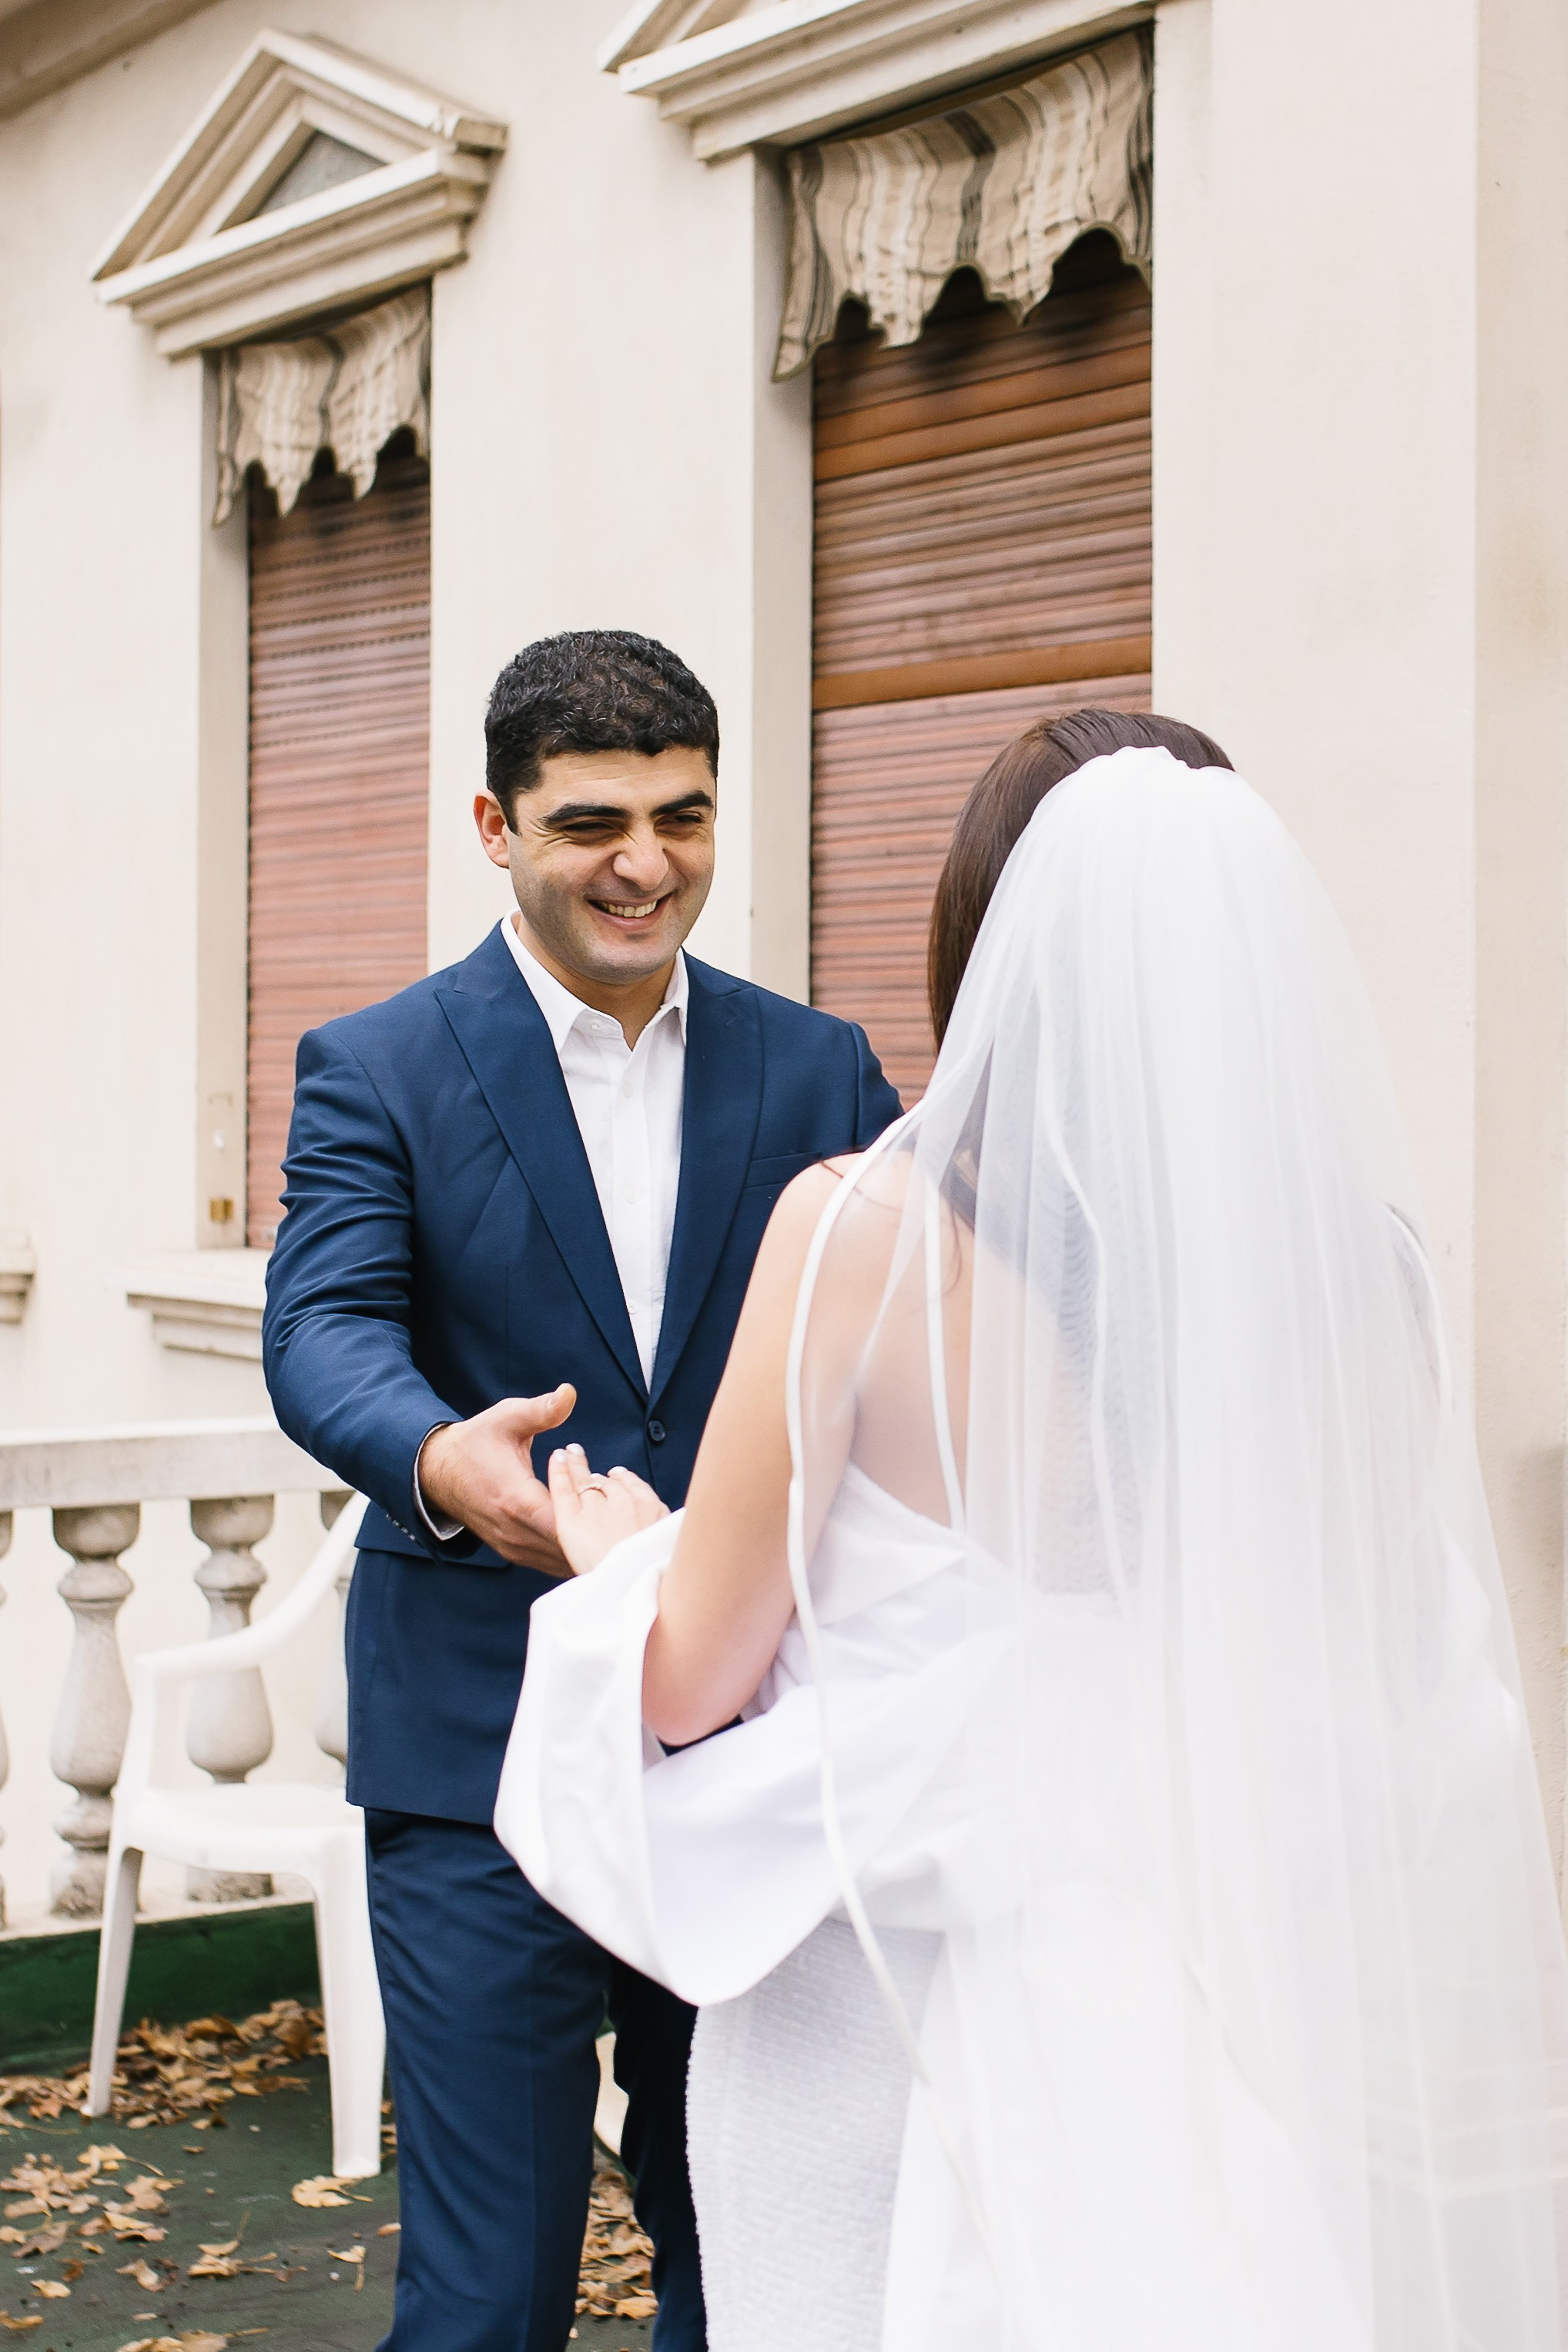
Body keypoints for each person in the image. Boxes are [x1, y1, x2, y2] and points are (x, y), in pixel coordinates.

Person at [499, 709, 1568, 2350]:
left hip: (871, 2015)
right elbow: (1390, 1689)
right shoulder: (1363, 1280)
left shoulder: (857, 1234)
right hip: (1214, 2018)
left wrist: (622, 1553)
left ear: (981, 951)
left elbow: (690, 1682)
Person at [262, 629, 902, 2352]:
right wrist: (437, 1458)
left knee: (762, 2267)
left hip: (757, 1754)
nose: (645, 864)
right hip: (482, 1754)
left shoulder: (821, 1065)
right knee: (487, 2297)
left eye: (682, 817)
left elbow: (909, 1327)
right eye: (592, 823)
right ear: (495, 826)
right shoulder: (377, 1063)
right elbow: (321, 1328)